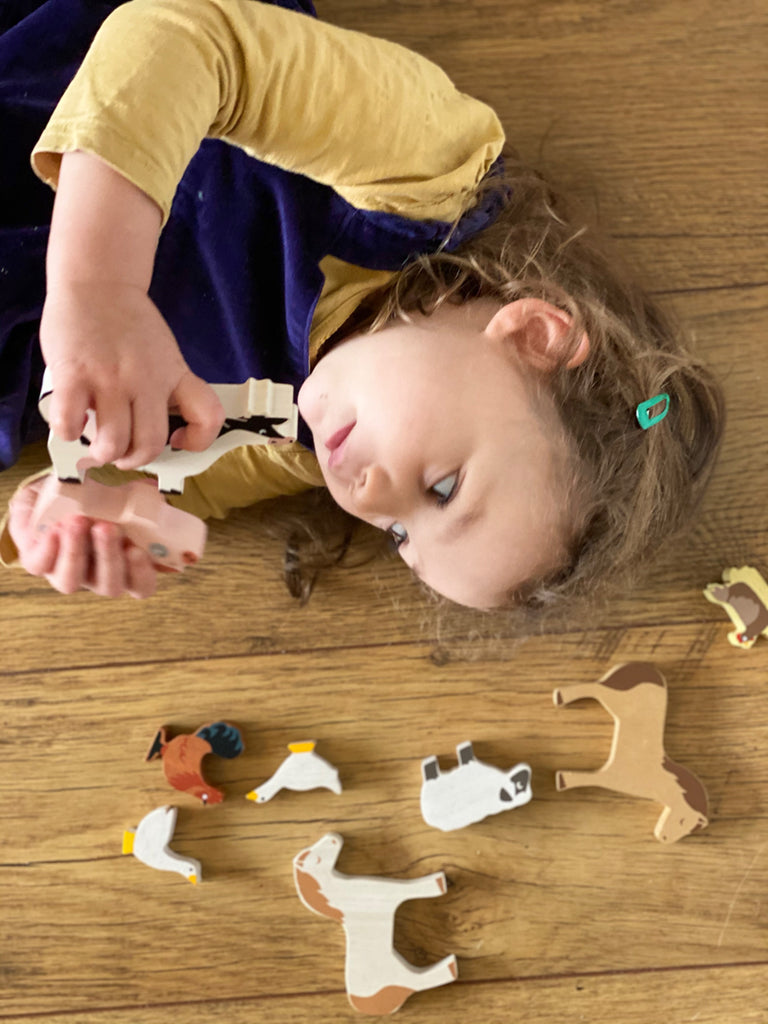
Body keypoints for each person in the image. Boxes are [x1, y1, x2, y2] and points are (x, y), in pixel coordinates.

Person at [0, 0, 724, 613]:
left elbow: (156, 475)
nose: (370, 497)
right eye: (442, 488)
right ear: (533, 335)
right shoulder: (430, 171)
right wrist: (98, 286)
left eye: (399, 537)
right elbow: (178, 40)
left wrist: (81, 505)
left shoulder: (298, 443)